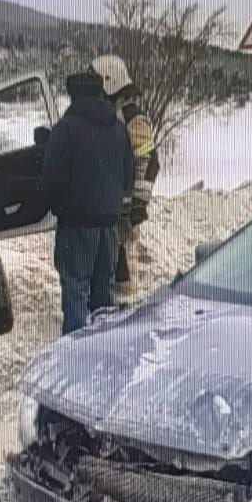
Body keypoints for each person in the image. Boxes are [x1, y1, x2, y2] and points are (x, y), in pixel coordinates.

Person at [42, 69, 134, 334]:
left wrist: (59, 207)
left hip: (76, 225)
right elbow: (128, 176)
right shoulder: (118, 128)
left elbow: (52, 177)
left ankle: (74, 355)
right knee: (102, 292)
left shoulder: (66, 129)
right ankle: (102, 350)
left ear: (73, 95)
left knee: (75, 290)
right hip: (110, 226)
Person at [90, 55, 160, 302]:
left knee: (122, 266)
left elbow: (148, 160)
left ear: (109, 81)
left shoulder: (132, 117)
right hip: (109, 200)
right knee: (109, 262)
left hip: (124, 205)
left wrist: (139, 201)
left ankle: (126, 310)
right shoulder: (110, 113)